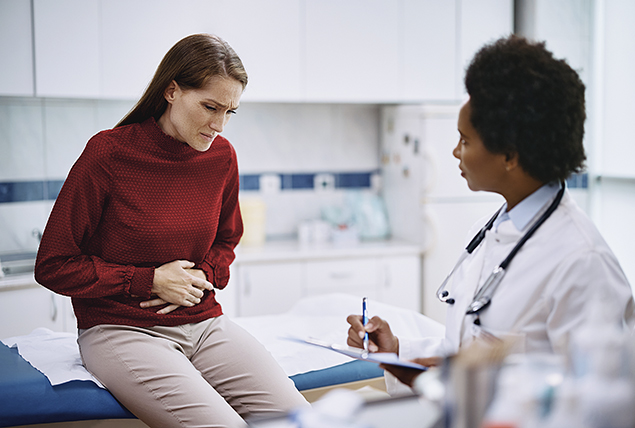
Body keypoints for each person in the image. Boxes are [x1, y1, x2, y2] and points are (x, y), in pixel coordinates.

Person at [35, 33, 309, 427]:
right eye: (210, 107)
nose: (219, 124)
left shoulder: (221, 157)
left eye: (230, 111)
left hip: (204, 323)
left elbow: (227, 239)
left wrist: (204, 274)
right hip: (121, 329)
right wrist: (147, 281)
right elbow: (53, 264)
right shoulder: (109, 153)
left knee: (301, 420)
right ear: (171, 91)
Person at [346, 35, 635, 391]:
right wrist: (399, 352)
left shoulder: (583, 264)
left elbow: (600, 401)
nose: (455, 152)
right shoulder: (493, 231)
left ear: (510, 155)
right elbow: (467, 348)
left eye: (465, 140)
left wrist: (474, 381)